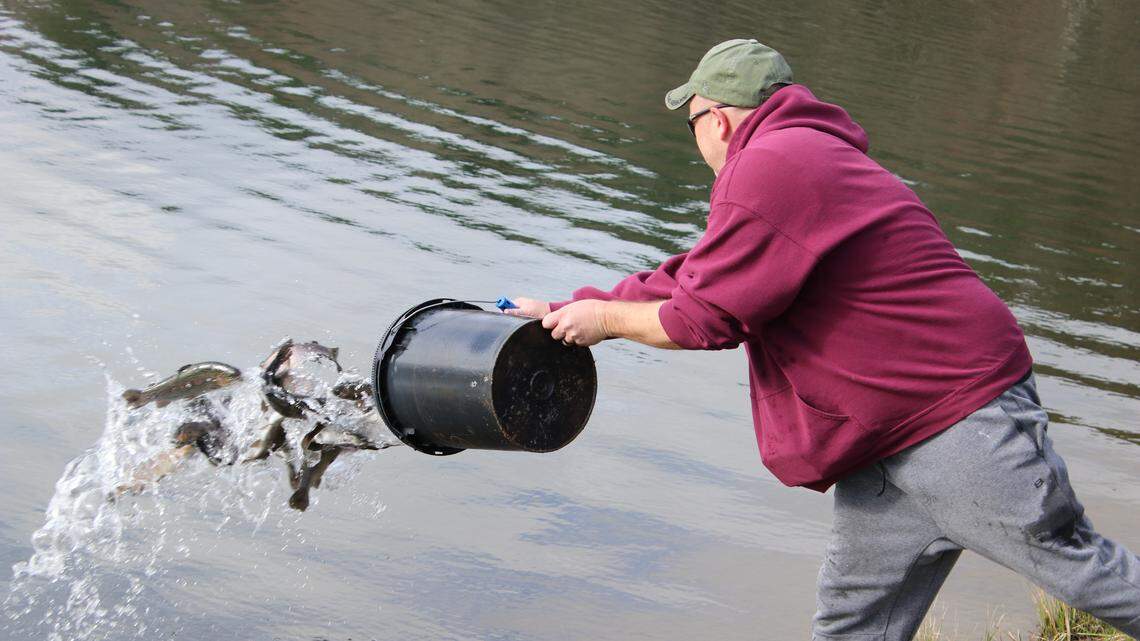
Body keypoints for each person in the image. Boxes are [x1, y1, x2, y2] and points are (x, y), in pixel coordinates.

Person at [508, 38, 1140, 640]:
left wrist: (606, 323)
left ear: (718, 120)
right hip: (890, 437)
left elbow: (699, 320)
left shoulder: (772, 165)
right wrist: (573, 309)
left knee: (1083, 573)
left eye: (690, 121)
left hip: (954, 421)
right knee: (851, 627)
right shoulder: (803, 157)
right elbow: (696, 274)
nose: (695, 135)